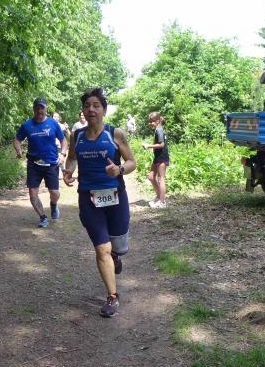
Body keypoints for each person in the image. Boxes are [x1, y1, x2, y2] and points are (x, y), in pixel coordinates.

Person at [64, 88, 136, 317]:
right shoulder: (77, 136)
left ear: (104, 109)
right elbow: (72, 158)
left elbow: (132, 162)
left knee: (119, 247)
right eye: (87, 106)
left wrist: (119, 169)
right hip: (89, 198)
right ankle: (112, 296)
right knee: (102, 248)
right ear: (83, 111)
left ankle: (116, 256)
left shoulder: (115, 134)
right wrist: (68, 171)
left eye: (96, 105)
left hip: (115, 197)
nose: (91, 109)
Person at [13, 98, 67, 228]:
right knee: (33, 195)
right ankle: (43, 217)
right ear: (33, 109)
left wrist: (63, 154)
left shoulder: (53, 123)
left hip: (51, 163)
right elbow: (17, 140)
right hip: (33, 164)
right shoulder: (27, 125)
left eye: (42, 107)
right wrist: (18, 150)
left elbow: (63, 140)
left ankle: (53, 204)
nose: (39, 110)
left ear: (46, 109)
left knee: (54, 193)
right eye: (37, 107)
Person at [142, 111, 169, 208]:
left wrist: (148, 145)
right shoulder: (158, 129)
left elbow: (161, 145)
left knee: (161, 178)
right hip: (157, 157)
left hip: (162, 157)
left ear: (158, 120)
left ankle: (162, 202)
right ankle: (159, 197)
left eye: (152, 121)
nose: (151, 123)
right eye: (150, 121)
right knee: (151, 177)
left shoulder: (159, 130)